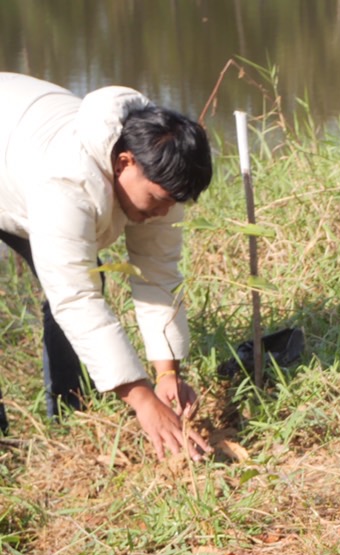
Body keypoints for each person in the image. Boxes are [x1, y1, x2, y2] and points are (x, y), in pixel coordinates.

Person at [0, 74, 212, 459]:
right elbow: (75, 298)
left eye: (172, 203)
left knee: (87, 277)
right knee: (77, 290)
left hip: (20, 153)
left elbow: (158, 273)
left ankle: (68, 418)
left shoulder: (160, 171)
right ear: (124, 162)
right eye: (158, 200)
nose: (164, 212)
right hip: (17, 159)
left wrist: (166, 373)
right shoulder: (66, 183)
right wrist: (142, 399)